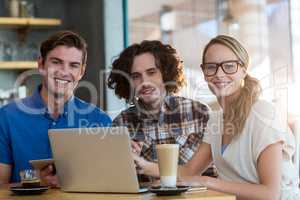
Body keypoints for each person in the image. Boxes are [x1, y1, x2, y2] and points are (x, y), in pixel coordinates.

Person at [133, 35, 300, 199]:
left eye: (229, 66)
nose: (219, 74)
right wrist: (142, 165)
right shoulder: (216, 120)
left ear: (243, 70)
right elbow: (188, 173)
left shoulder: (264, 113)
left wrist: (206, 181)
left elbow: (270, 194)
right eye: (211, 67)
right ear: (204, 73)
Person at [0, 30, 112, 184]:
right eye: (56, 62)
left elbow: (108, 184)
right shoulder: (7, 117)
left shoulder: (100, 120)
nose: (64, 71)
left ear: (81, 72)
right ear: (41, 65)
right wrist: (34, 181)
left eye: (73, 65)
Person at [107, 40, 212, 178]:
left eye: (151, 72)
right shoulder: (121, 124)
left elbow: (212, 173)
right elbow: (115, 179)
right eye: (136, 76)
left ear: (166, 74)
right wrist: (124, 161)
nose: (144, 82)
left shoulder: (198, 113)